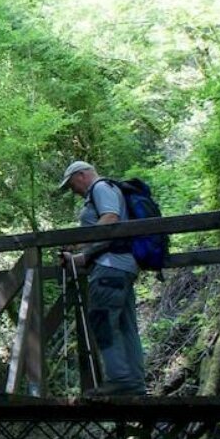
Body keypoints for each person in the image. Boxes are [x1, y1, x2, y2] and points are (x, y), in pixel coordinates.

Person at [58, 160, 146, 396]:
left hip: (110, 269)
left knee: (102, 321)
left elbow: (110, 219)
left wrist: (77, 239)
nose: (73, 191)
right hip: (121, 266)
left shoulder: (100, 188)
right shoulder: (109, 189)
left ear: (81, 176)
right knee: (125, 325)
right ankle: (135, 382)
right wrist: (77, 258)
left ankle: (120, 379)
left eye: (71, 184)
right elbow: (105, 241)